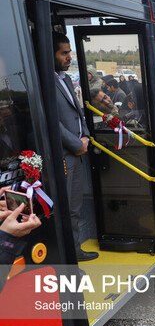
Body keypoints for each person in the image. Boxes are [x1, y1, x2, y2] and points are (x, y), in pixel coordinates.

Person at [53, 32, 96, 261]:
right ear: (51, 53)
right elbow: (53, 121)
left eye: (70, 52)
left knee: (75, 206)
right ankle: (68, 256)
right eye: (64, 53)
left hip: (78, 150)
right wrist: (75, 144)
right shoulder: (44, 81)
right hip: (65, 153)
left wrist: (86, 136)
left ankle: (76, 250)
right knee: (66, 206)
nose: (70, 57)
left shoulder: (67, 79)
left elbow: (78, 113)